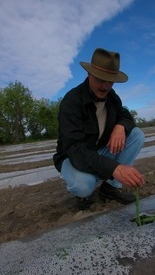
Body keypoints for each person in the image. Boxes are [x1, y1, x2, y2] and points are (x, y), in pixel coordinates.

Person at [53, 48, 145, 210]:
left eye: (110, 81)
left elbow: (126, 116)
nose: (105, 86)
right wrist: (114, 168)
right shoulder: (71, 102)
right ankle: (82, 193)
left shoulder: (112, 97)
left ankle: (110, 188)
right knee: (84, 186)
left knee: (136, 135)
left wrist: (120, 126)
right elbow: (75, 149)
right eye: (100, 79)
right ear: (89, 74)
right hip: (72, 157)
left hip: (98, 151)